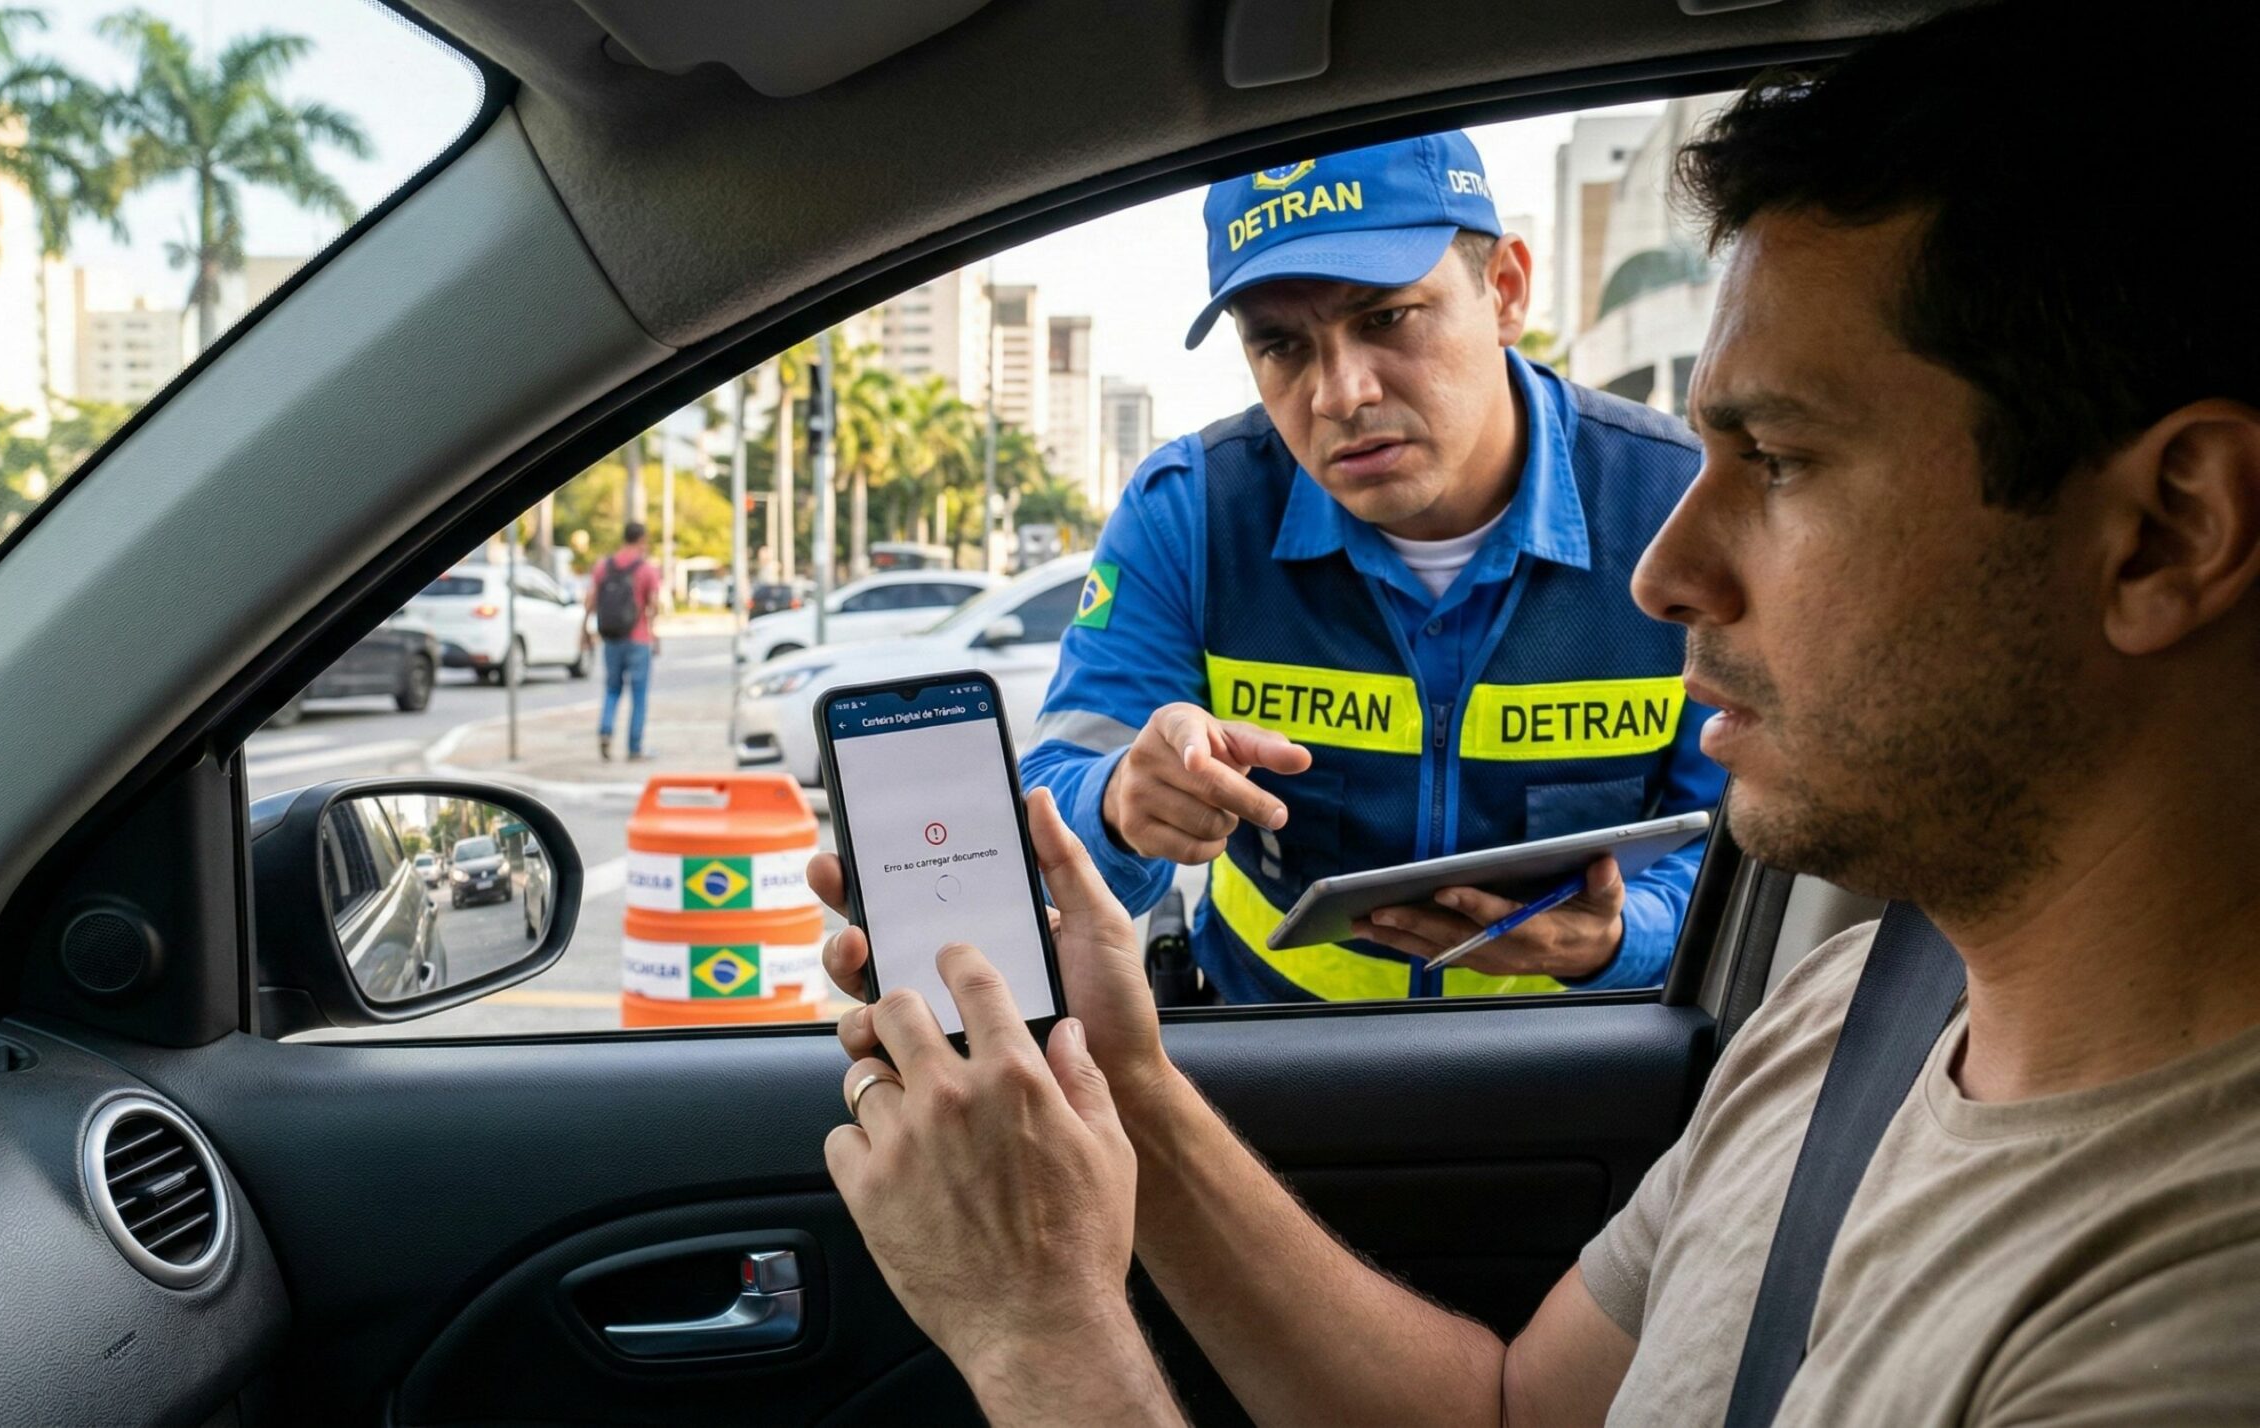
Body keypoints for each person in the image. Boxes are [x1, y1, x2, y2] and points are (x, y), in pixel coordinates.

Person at [812, 2, 2260, 1421]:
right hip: (1262, 1049)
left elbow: (1718, 849)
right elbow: (1506, 1408)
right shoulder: (1835, 1027)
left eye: (1782, 459)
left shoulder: (2187, 1310)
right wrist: (1124, 1035)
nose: (1668, 569)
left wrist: (1041, 1333)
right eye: (1282, 348)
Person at [1021, 131, 1725, 1003]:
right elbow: (1051, 796)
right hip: (1272, 1065)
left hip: (1589, 1075)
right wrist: (1122, 801)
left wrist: (1620, 936)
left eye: (1386, 318)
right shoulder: (1191, 513)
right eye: (1281, 345)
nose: (1339, 394)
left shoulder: (1675, 503)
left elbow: (1756, 842)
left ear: (1504, 291)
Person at [589, 521, 661, 762]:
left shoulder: (604, 566)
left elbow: (590, 601)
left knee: (612, 689)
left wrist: (583, 631)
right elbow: (653, 606)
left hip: (611, 638)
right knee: (639, 694)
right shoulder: (646, 569)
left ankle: (606, 730)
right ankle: (634, 748)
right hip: (638, 638)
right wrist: (655, 635)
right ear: (642, 539)